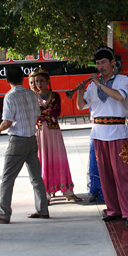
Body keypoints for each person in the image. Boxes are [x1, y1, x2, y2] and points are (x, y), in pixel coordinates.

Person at [76, 45, 128, 228]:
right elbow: (81, 106)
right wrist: (80, 92)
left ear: (112, 63)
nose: (100, 66)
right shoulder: (93, 85)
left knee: (123, 174)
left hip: (117, 132)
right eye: (97, 63)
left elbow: (119, 97)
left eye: (103, 62)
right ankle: (113, 210)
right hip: (98, 132)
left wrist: (99, 84)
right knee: (105, 175)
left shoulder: (122, 79)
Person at [0, 64, 49, 223]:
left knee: (7, 178)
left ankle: (4, 213)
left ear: (7, 79)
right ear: (23, 78)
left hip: (17, 141)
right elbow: (37, 114)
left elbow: (7, 122)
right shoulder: (31, 94)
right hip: (31, 138)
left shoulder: (10, 96)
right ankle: (42, 210)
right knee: (36, 177)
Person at [33, 68, 82, 202]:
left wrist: (41, 113)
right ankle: (46, 193)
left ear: (48, 81)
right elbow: (34, 113)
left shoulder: (55, 96)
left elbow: (56, 111)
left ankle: (67, 190)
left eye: (41, 81)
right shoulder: (33, 97)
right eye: (36, 81)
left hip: (53, 132)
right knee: (43, 160)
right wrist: (44, 113)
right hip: (40, 133)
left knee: (59, 158)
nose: (39, 84)